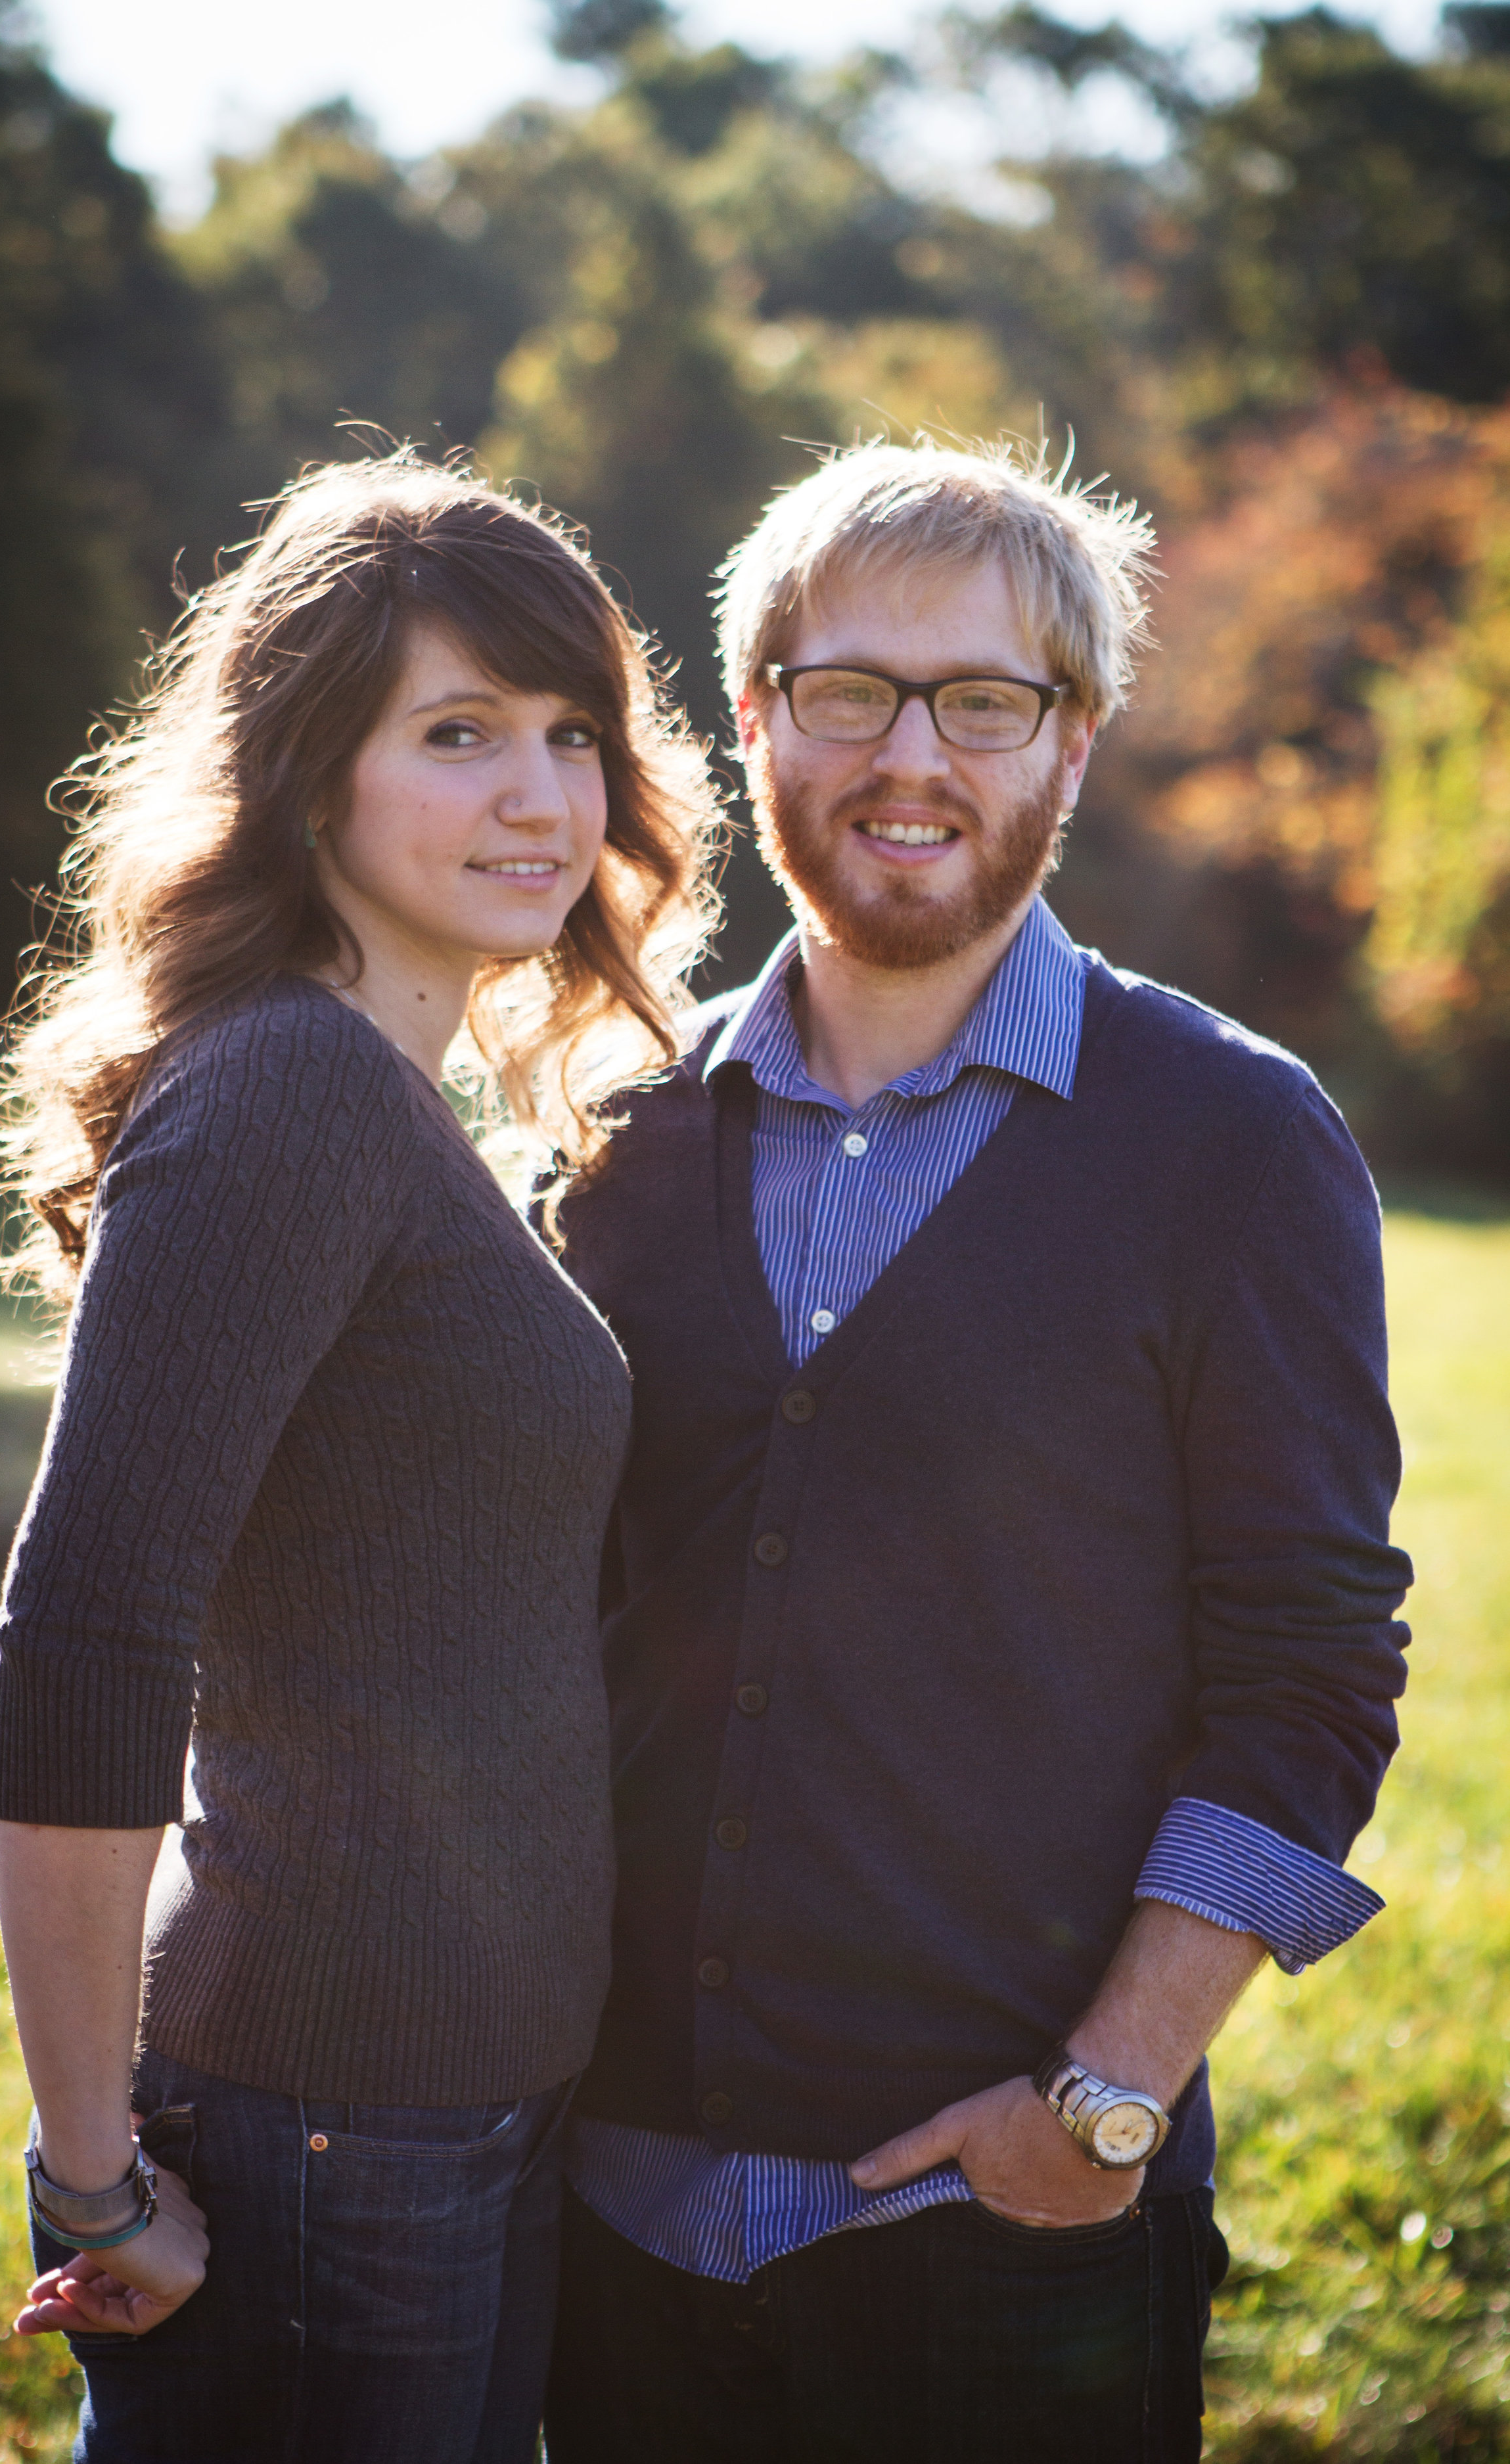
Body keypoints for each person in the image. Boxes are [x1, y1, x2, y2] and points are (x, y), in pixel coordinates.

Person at [539, 438, 1411, 2462]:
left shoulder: (1231, 1141)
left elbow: (1308, 1669)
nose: (906, 756)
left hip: (1002, 2230)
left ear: (1074, 744)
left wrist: (1101, 2106)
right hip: (606, 2234)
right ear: (754, 718)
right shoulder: (605, 1138)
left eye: (986, 701)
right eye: (847, 690)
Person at [0, 453, 718, 2464]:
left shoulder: (393, 1104)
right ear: (311, 774)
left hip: (448, 2114)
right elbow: (85, 1632)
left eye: (574, 735)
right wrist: (90, 2174)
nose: (541, 798)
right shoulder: (292, 1088)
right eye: (458, 733)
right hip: (323, 2133)